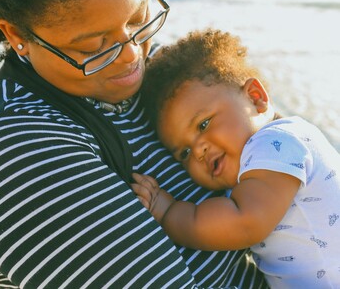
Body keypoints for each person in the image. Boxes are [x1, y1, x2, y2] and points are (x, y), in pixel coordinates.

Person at [0, 0, 268, 288]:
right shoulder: (11, 153)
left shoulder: (166, 72)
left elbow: (290, 153)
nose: (131, 55)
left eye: (137, 17)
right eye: (92, 45)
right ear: (17, 34)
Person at [131, 29, 340, 288]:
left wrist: (169, 213)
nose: (198, 151)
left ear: (255, 97)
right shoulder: (258, 165)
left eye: (203, 124)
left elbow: (244, 223)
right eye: (184, 153)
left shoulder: (276, 143)